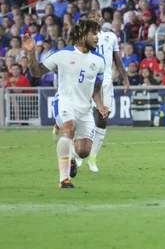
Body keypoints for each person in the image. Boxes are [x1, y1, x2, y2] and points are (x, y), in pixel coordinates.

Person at [23, 20, 108, 188]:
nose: (97, 38)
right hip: (65, 101)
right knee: (68, 128)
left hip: (85, 109)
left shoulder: (99, 60)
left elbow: (96, 88)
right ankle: (64, 179)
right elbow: (36, 72)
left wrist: (100, 104)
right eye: (94, 34)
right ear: (83, 35)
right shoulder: (62, 54)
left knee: (84, 151)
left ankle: (71, 156)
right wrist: (31, 53)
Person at [82, 13, 129, 173]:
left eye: (97, 17)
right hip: (87, 81)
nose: (96, 19)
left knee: (102, 119)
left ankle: (92, 158)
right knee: (82, 116)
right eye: (92, 17)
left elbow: (117, 59)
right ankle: (77, 153)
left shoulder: (111, 36)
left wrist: (125, 77)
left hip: (106, 83)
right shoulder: (82, 37)